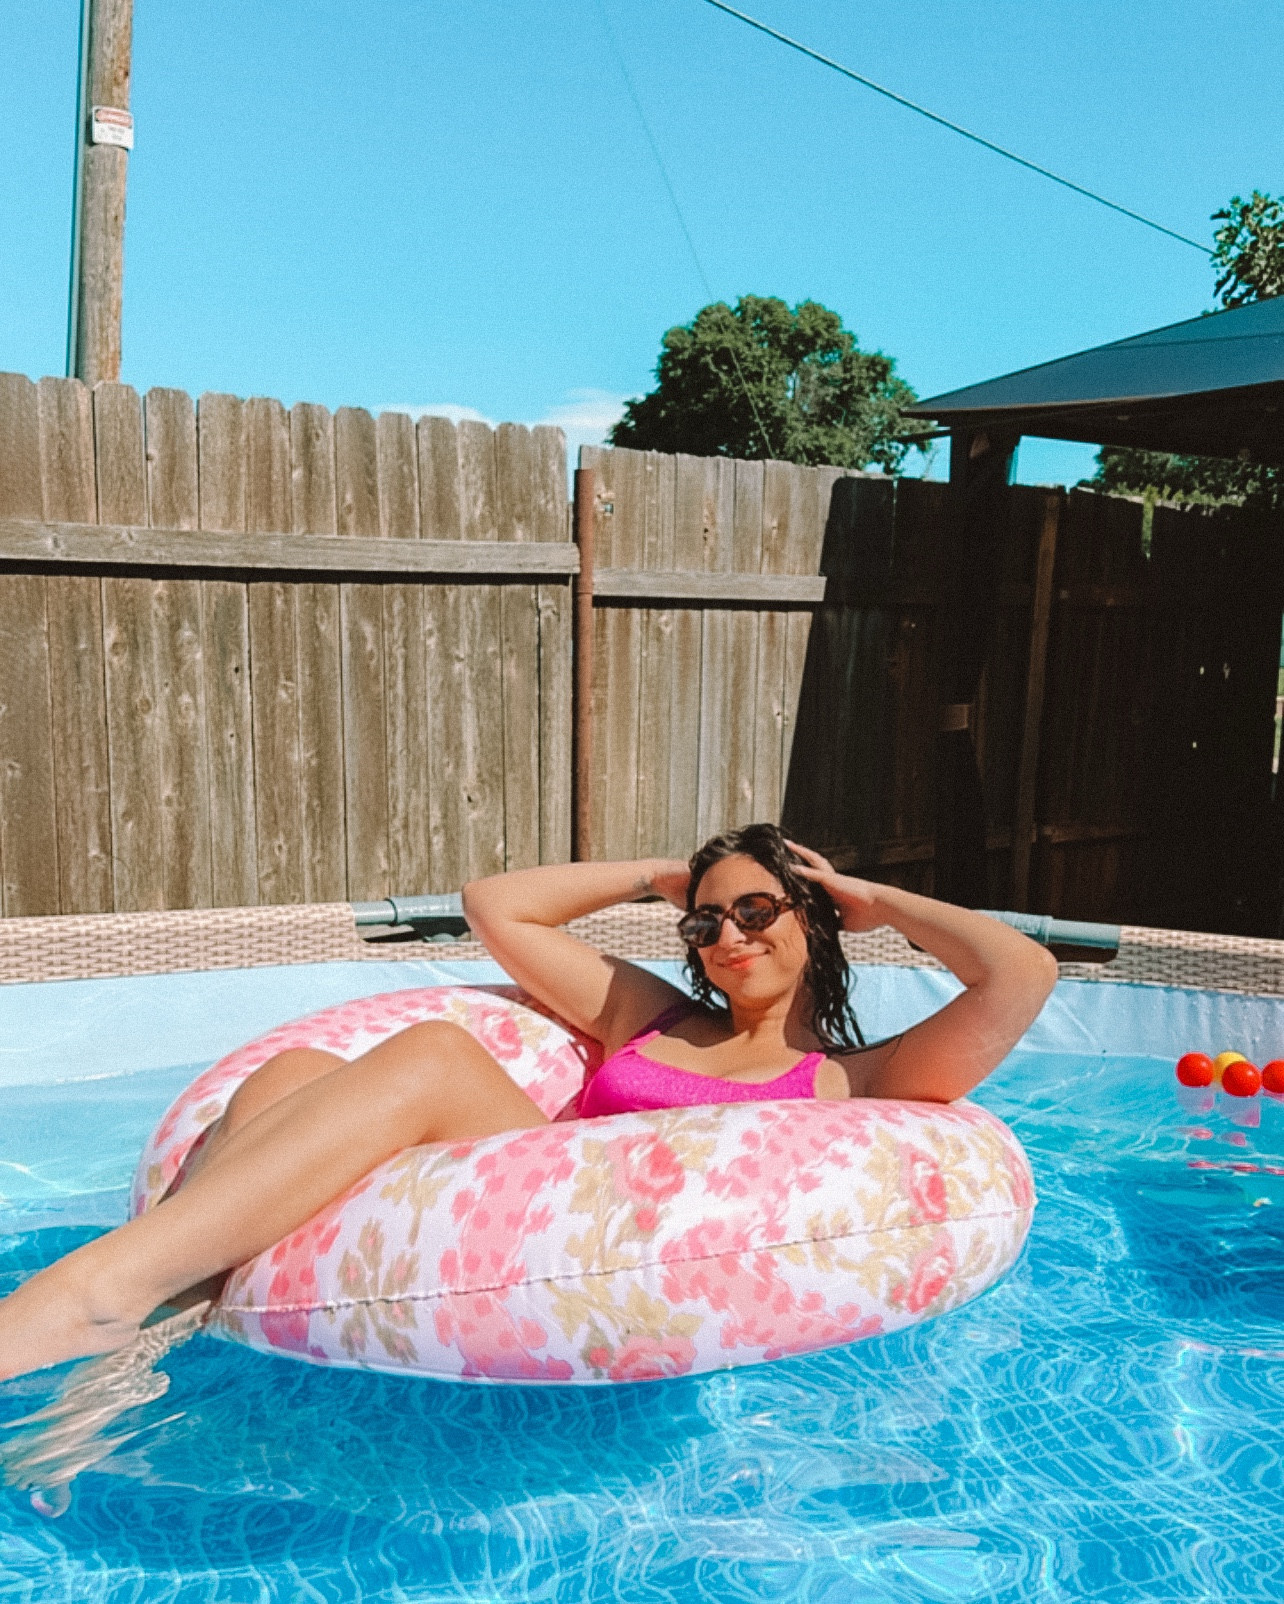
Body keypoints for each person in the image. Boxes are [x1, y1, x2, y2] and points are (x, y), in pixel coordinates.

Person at [0, 825, 1056, 1382]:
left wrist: (871, 900)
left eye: (757, 908)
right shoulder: (652, 1013)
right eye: (706, 920)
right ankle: (174, 1294)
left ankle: (113, 1284)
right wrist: (656, 874)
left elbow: (1021, 975)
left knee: (431, 1052)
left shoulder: (857, 1079)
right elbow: (496, 905)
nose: (729, 934)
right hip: (510, 1194)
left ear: (810, 918)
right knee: (287, 1076)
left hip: (607, 1241)